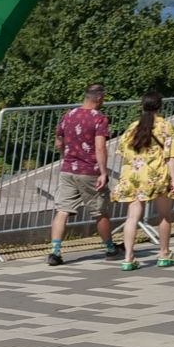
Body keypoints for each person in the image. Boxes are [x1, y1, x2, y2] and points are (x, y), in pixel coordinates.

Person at [112, 91, 174, 271]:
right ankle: (164, 253)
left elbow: (123, 151)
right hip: (157, 175)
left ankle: (128, 258)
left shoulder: (133, 127)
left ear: (142, 106)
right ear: (160, 106)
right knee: (164, 216)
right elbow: (171, 156)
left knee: (132, 217)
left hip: (134, 175)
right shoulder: (166, 126)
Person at [48, 84, 119, 266]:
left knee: (62, 210)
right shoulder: (99, 118)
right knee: (99, 211)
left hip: (68, 169)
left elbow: (58, 141)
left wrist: (66, 157)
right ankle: (110, 248)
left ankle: (55, 252)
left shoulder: (69, 115)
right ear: (99, 98)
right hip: (89, 170)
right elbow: (100, 147)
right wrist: (103, 172)